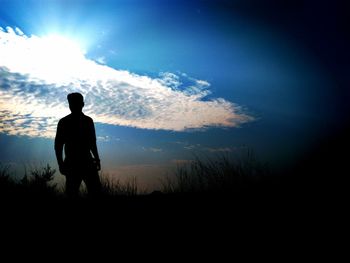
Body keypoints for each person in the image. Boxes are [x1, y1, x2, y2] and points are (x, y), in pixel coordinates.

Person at [55, 92, 101, 198]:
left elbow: (92, 142)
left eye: (75, 103)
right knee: (72, 193)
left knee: (95, 192)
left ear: (82, 104)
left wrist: (97, 159)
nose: (73, 106)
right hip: (73, 163)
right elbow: (58, 145)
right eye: (71, 103)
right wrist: (60, 163)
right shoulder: (64, 122)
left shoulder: (88, 121)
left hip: (86, 162)